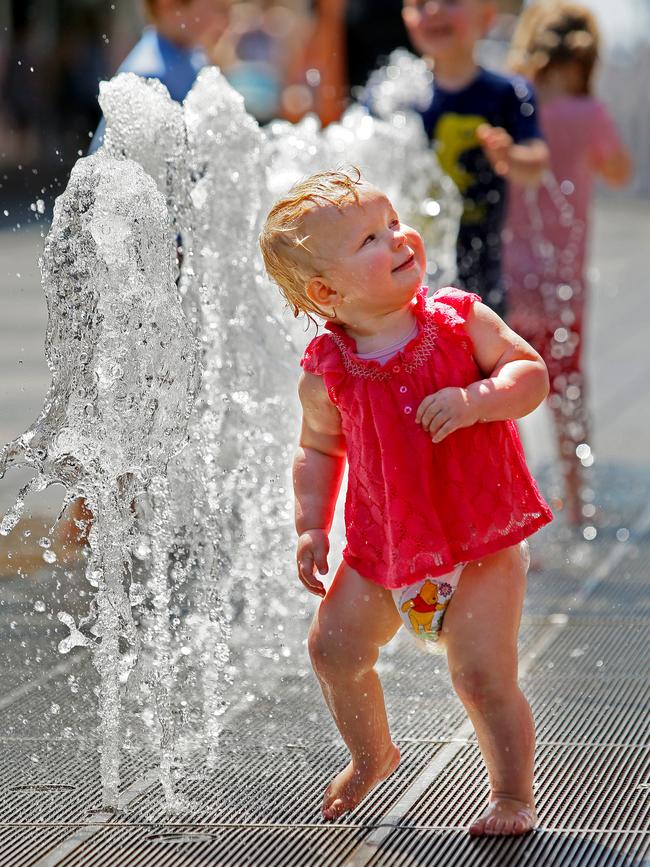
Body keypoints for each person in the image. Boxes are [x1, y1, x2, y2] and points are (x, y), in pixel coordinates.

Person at [259, 168, 553, 836]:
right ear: (326, 291)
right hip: (385, 548)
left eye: (393, 222)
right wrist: (310, 525)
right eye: (371, 237)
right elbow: (319, 450)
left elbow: (529, 372)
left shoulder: (457, 320)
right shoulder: (327, 369)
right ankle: (372, 754)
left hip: (480, 540)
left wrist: (480, 399)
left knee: (480, 676)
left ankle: (512, 793)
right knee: (332, 650)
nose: (399, 238)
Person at [504, 2, 632, 529]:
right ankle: (577, 502)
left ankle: (508, 504)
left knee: (502, 383)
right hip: (563, 279)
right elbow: (621, 171)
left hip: (509, 275)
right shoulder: (588, 114)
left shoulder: (516, 107)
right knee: (568, 387)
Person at [401, 0, 549, 318]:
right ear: (406, 18)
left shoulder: (508, 93)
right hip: (405, 270)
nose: (435, 10)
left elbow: (536, 164)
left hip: (482, 270)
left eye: (451, 1)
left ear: (485, 17)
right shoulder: (397, 95)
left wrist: (509, 155)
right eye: (420, 3)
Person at [89, 0, 233, 152]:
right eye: (218, 8)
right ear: (167, 5)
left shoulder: (193, 55)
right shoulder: (147, 76)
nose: (226, 20)